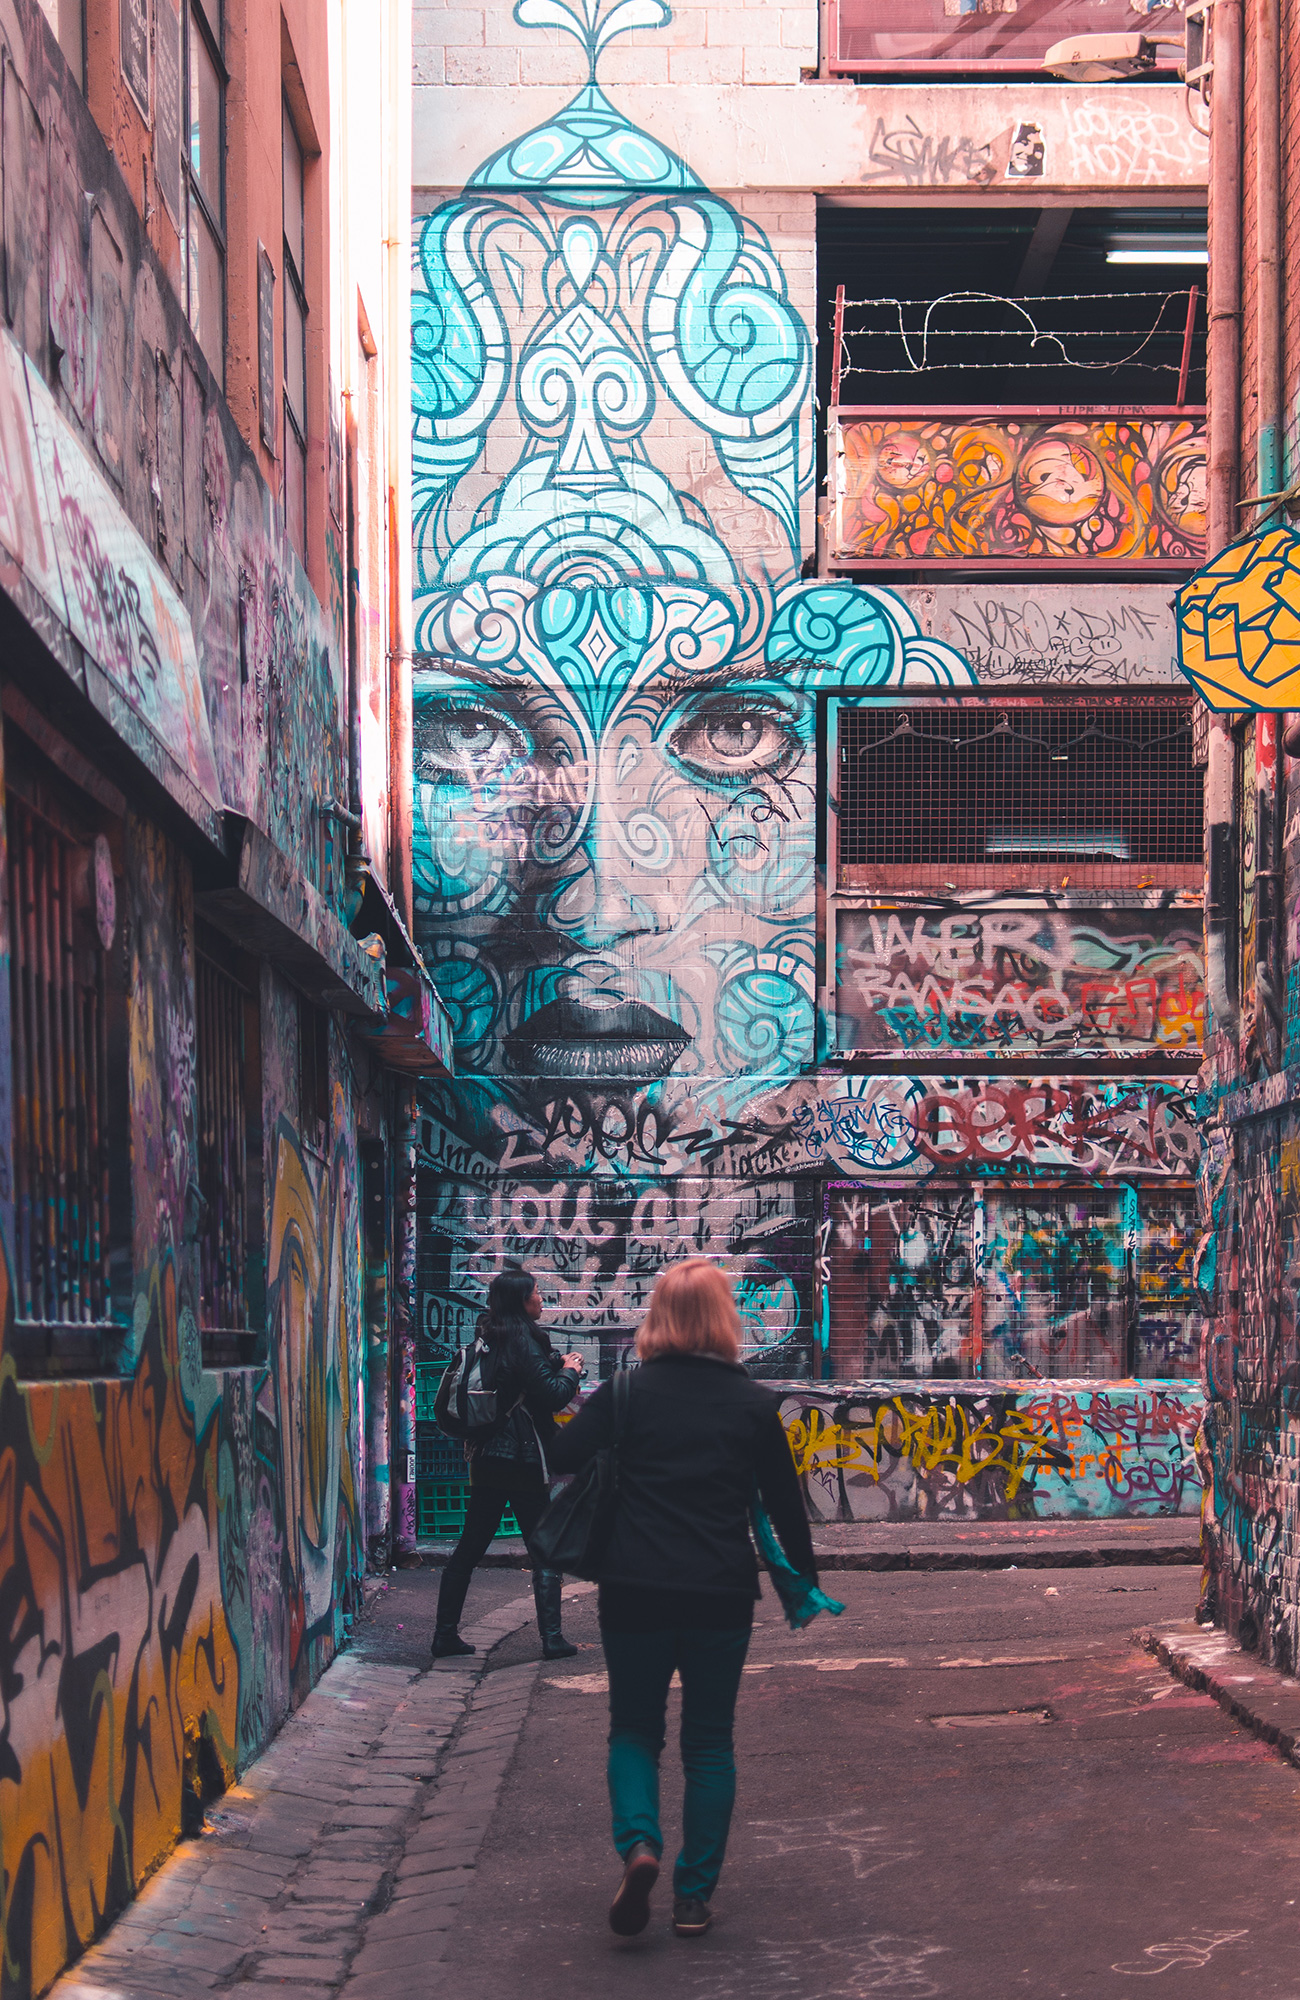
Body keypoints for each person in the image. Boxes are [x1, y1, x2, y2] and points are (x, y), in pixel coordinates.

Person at [547, 1257, 819, 1940]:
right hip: (720, 1593)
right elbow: (788, 1509)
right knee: (708, 1743)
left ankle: (640, 1846)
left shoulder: (627, 1393)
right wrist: (805, 1585)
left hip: (633, 1589)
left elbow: (564, 1455)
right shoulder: (754, 1404)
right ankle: (693, 1898)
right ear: (727, 1320)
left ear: (658, 1316)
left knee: (635, 1729)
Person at [431, 1266, 586, 1661]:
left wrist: (553, 1365)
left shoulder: (490, 1336)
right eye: (536, 1292)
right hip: (521, 1460)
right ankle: (552, 1639)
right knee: (544, 1549)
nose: (541, 1298)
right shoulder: (522, 1340)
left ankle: (445, 1634)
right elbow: (551, 1396)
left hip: (487, 1459)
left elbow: (518, 1385)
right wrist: (570, 1371)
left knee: (469, 1548)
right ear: (521, 1300)